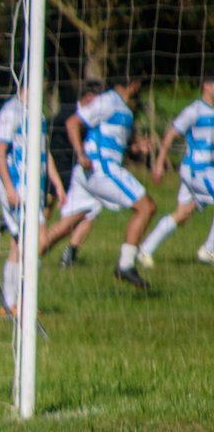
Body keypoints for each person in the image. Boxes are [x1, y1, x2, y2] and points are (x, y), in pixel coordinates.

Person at [65, 74, 156, 288]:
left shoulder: (124, 109)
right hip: (101, 168)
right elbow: (72, 123)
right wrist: (81, 154)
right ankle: (125, 265)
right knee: (146, 207)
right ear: (133, 84)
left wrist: (136, 147)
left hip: (109, 167)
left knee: (66, 225)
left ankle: (33, 256)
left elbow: (116, 145)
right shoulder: (106, 101)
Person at [0, 86, 67, 310]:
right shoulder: (10, 111)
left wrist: (57, 183)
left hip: (35, 187)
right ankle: (19, 300)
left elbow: (44, 152)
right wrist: (9, 187)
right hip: (17, 185)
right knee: (37, 241)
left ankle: (13, 302)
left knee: (19, 243)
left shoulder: (37, 113)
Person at [139, 77, 214, 268]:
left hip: (205, 169)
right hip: (197, 169)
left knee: (183, 213)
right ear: (206, 86)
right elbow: (170, 135)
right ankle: (208, 250)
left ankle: (145, 250)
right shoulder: (194, 111)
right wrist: (159, 164)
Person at [48, 80, 107, 267]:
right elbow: (48, 133)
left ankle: (70, 253)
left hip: (77, 172)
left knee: (91, 210)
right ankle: (35, 246)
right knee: (45, 210)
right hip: (57, 168)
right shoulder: (68, 114)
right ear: (88, 98)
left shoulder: (93, 119)